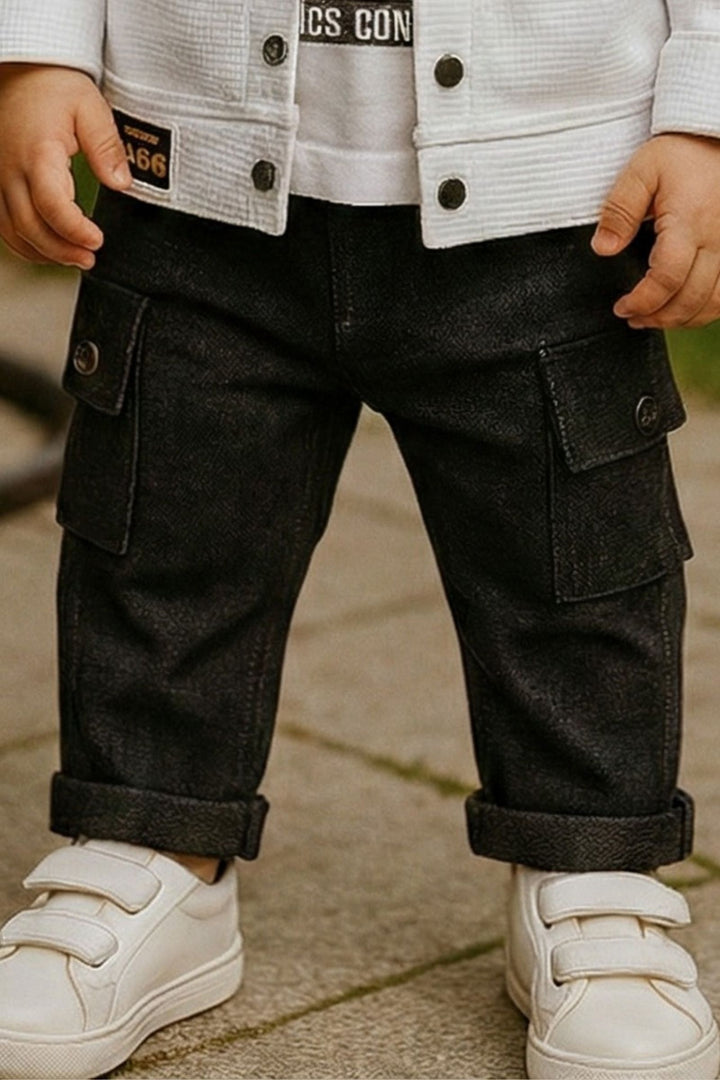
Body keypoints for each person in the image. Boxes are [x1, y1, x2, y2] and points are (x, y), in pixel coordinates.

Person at [0, 2, 719, 1077]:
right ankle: (149, 842)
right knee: (162, 534)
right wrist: (39, 49)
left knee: (574, 566)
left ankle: (590, 866)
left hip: (555, 203)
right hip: (193, 177)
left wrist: (705, 116)